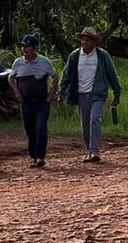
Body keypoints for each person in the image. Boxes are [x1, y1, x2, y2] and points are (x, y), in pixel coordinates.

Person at [58, 27, 120, 164]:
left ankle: (95, 150)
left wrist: (117, 94)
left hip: (98, 93)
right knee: (85, 125)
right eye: (82, 40)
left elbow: (112, 75)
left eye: (87, 40)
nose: (84, 42)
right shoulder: (75, 56)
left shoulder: (102, 55)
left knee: (94, 119)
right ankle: (89, 151)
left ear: (94, 42)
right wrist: (61, 92)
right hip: (81, 94)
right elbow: (66, 75)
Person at [9, 34, 58, 169]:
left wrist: (51, 94)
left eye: (28, 47)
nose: (26, 50)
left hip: (42, 101)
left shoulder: (44, 62)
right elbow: (11, 78)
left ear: (35, 48)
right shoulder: (18, 63)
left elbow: (54, 77)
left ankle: (40, 156)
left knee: (41, 127)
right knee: (30, 130)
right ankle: (33, 154)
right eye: (24, 47)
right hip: (26, 102)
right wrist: (17, 93)